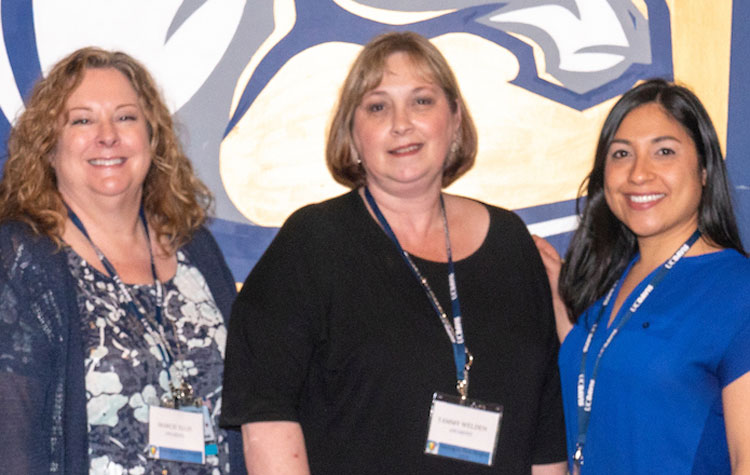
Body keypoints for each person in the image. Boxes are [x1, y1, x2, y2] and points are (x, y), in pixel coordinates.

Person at [220, 31, 566, 475]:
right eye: (377, 107)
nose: (401, 123)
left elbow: (546, 430)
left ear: (455, 118)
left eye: (422, 101)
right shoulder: (311, 245)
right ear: (352, 133)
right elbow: (266, 419)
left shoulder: (511, 242)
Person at [0, 47, 244, 474]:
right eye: (82, 120)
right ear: (48, 147)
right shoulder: (23, 259)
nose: (107, 135)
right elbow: (12, 445)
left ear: (152, 138)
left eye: (126, 117)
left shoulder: (195, 248)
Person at [534, 78, 750, 474]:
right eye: (621, 154)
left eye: (664, 151)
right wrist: (564, 308)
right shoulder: (609, 284)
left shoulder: (739, 291)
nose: (638, 174)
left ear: (704, 169)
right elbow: (614, 368)